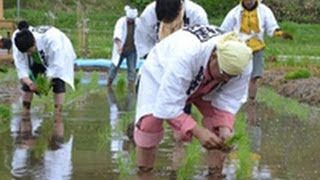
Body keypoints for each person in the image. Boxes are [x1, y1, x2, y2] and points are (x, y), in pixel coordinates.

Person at [133, 25, 253, 178]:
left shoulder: (243, 62)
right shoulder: (186, 54)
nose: (227, 80)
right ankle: (144, 173)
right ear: (214, 56)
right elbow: (168, 105)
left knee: (217, 128)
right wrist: (199, 132)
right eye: (224, 73)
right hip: (161, 74)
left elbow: (229, 100)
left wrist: (225, 128)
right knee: (149, 124)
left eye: (232, 77)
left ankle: (215, 174)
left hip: (206, 82)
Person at [220, 0, 293, 124]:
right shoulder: (235, 12)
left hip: (257, 47)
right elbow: (224, 29)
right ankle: (234, 100)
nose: (249, 2)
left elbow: (272, 26)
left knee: (255, 76)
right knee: (238, 75)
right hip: (240, 48)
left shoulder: (264, 11)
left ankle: (251, 102)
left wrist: (280, 34)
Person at [12, 21, 76, 115]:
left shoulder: (53, 40)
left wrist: (45, 83)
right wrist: (30, 83)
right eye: (26, 53)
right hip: (39, 56)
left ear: (34, 42)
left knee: (58, 80)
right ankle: (25, 111)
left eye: (29, 51)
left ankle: (58, 112)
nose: (28, 54)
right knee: (30, 77)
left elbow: (56, 65)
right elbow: (21, 65)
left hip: (60, 54)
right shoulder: (18, 37)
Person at [135, 0, 209, 58]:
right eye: (165, 21)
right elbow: (143, 43)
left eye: (170, 20)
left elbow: (202, 46)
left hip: (189, 57)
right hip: (158, 57)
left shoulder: (197, 14)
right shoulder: (149, 14)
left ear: (179, 10)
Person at [107, 5, 139, 91]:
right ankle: (109, 84)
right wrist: (119, 46)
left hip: (132, 50)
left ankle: (131, 87)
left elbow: (141, 35)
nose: (131, 21)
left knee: (132, 69)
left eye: (132, 20)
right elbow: (117, 34)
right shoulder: (121, 22)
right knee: (114, 66)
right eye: (129, 19)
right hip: (121, 49)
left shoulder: (138, 23)